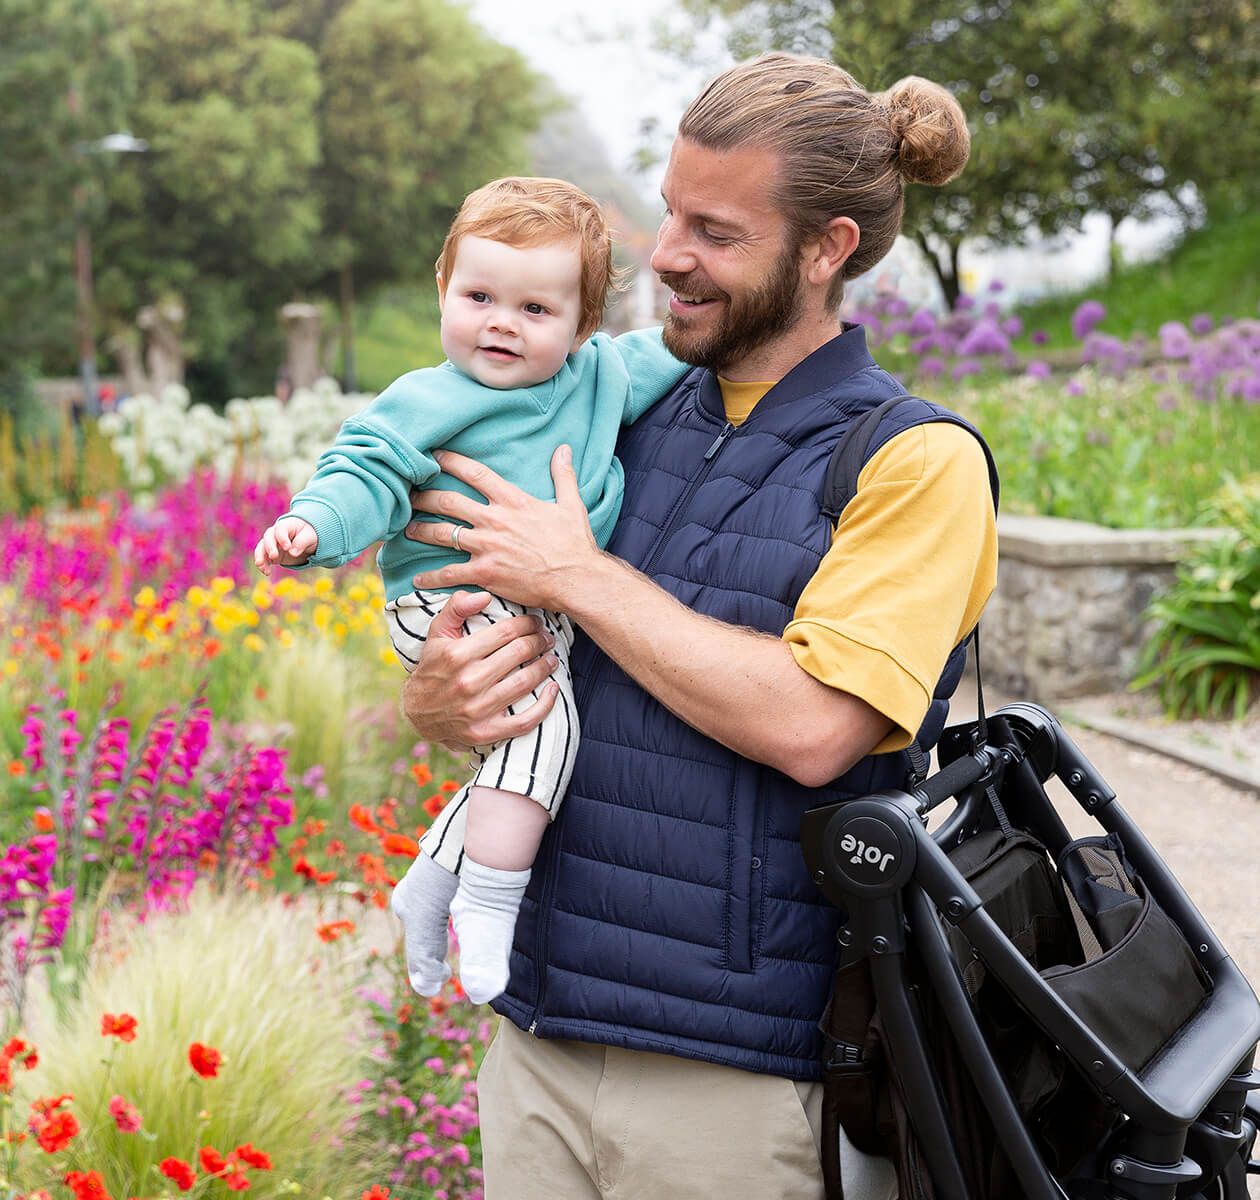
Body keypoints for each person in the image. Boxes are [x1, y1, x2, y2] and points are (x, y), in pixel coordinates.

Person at [395, 53, 1000, 1200]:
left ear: (827, 249)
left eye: (716, 231)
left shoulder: (917, 463)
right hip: (539, 1039)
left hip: (742, 1077)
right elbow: (503, 646)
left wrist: (581, 577)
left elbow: (820, 725)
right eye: (672, 212)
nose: (666, 254)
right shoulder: (616, 410)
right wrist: (437, 693)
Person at [253, 176, 688, 1004]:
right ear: (444, 293)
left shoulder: (601, 376)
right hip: (449, 598)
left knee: (522, 754)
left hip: (542, 602)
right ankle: (490, 908)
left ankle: (432, 882)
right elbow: (366, 469)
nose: (500, 323)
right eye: (480, 295)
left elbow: (682, 346)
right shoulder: (429, 397)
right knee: (543, 734)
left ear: (582, 325)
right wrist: (314, 524)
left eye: (535, 310)